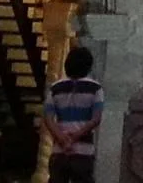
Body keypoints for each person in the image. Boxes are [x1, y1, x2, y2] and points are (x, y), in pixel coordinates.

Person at [43, 46, 104, 182]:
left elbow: (48, 118)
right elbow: (96, 119)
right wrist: (75, 136)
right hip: (84, 150)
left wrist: (62, 139)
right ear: (88, 66)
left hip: (59, 150)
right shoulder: (95, 88)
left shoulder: (55, 88)